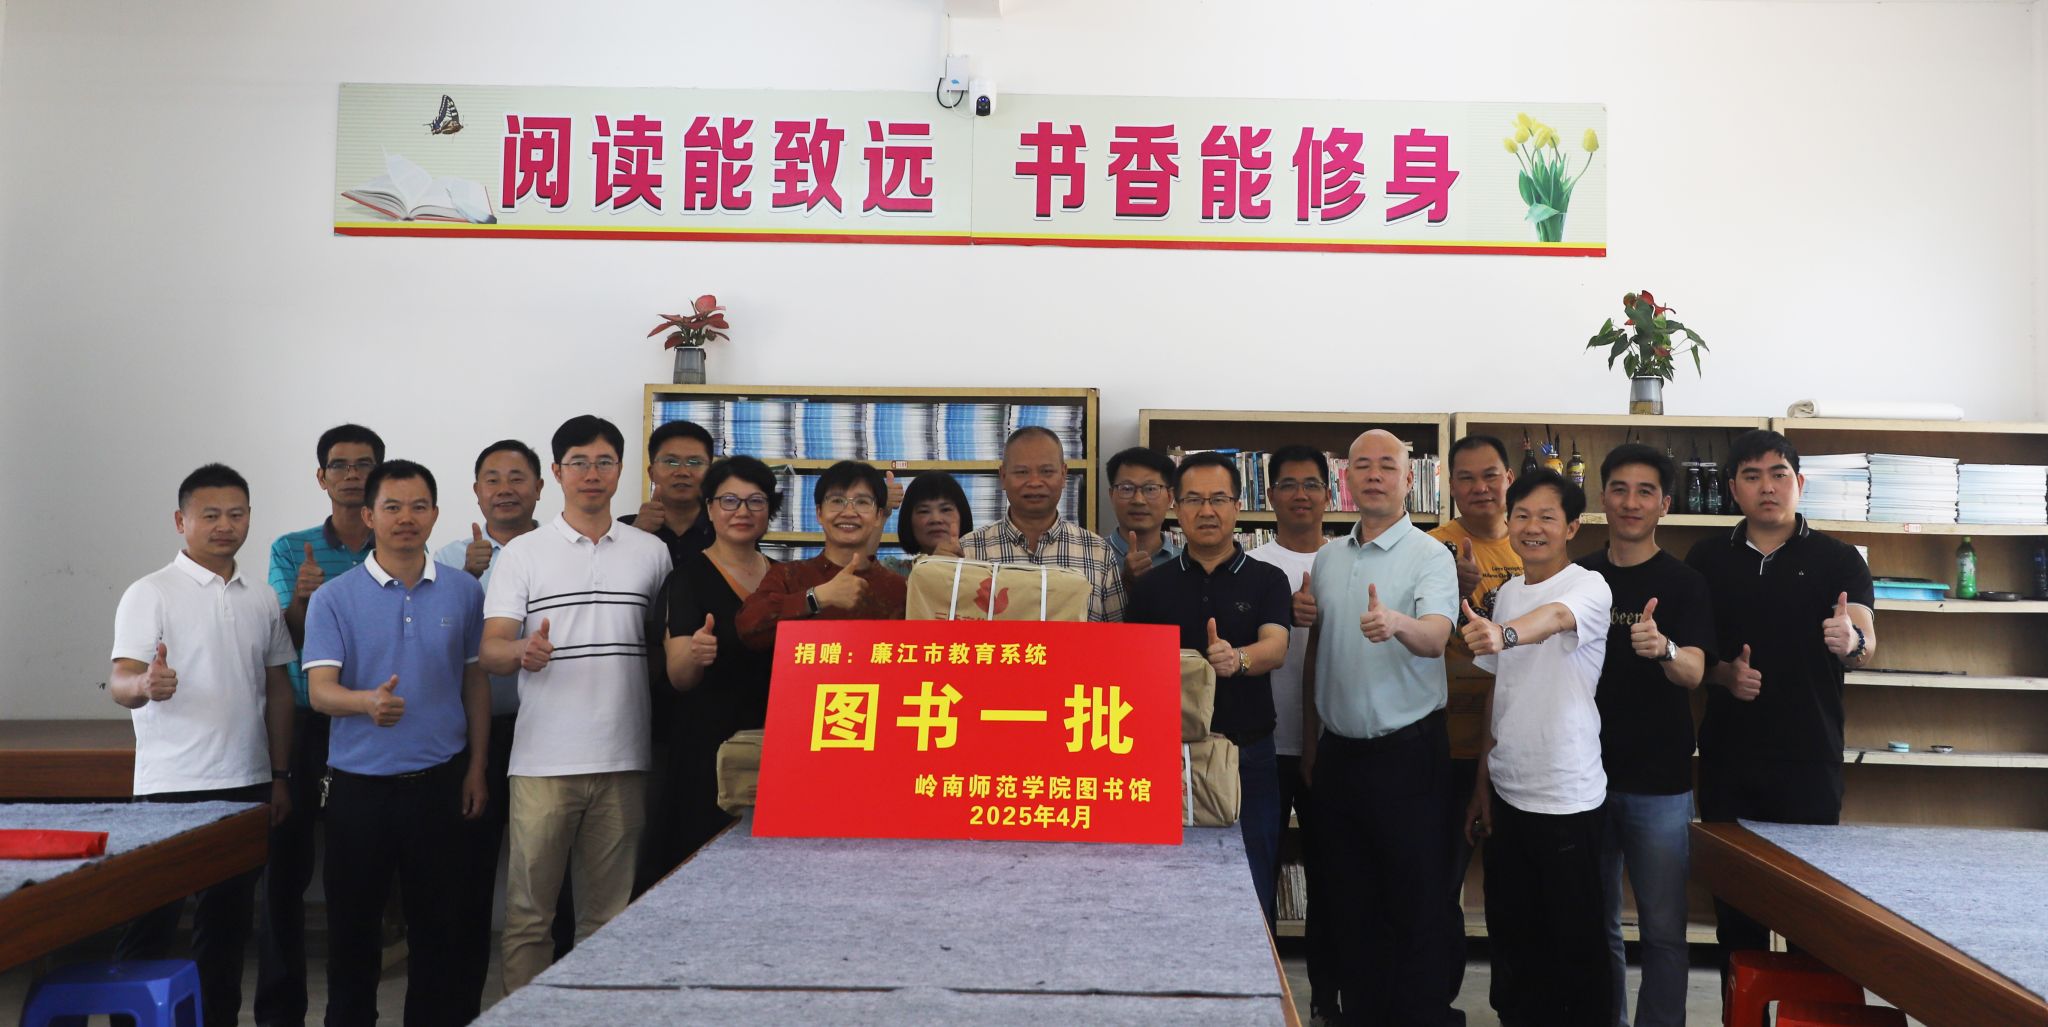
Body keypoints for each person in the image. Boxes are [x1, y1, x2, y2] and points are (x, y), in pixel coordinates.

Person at [482, 416, 673, 992]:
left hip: (624, 758)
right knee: (529, 917)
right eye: (579, 463)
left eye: (604, 462)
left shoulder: (652, 553)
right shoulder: (523, 553)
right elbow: (490, 649)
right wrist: (521, 650)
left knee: (609, 919)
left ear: (622, 470)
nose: (592, 474)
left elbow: (661, 649)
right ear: (557, 472)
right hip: (543, 762)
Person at [303, 460, 490, 1027]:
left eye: (418, 506)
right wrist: (366, 702)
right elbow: (319, 691)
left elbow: (475, 682)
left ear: (434, 514)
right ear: (369, 516)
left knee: (439, 934)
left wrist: (477, 767)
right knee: (353, 935)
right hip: (359, 791)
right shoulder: (334, 598)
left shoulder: (463, 591)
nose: (406, 518)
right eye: (392, 507)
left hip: (439, 784)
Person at [109, 464, 295, 1027]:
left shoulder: (261, 596)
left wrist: (280, 775)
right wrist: (145, 685)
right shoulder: (150, 592)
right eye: (210, 515)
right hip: (170, 786)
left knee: (226, 930)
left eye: (236, 514)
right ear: (181, 521)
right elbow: (120, 680)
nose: (224, 525)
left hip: (246, 781)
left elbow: (278, 689)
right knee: (149, 924)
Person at [1685, 429, 1876, 968]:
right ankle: (1743, 1007)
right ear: (1733, 489)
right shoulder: (1706, 558)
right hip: (1728, 760)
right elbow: (1691, 657)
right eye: (1752, 476)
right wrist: (1724, 675)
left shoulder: (1839, 559)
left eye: (1779, 475)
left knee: (1811, 923)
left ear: (1800, 483)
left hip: (1809, 760)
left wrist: (1850, 641)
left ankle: (1806, 1009)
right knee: (1737, 922)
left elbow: (1864, 641)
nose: (1767, 487)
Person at [1298, 428, 1459, 1024]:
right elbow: (1320, 650)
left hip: (1407, 756)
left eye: (1386, 466)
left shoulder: (1430, 555)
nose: (1373, 475)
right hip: (1339, 756)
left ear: (1408, 478)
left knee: (1415, 904)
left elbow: (1436, 637)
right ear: (1346, 478)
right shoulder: (1328, 557)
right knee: (1349, 902)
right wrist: (1312, 741)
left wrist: (1397, 623)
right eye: (1361, 465)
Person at [1461, 467, 1613, 1026]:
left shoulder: (1588, 585)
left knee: (1575, 948)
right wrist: (1482, 784)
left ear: (1571, 526)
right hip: (1508, 791)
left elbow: (1554, 619)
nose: (1532, 527)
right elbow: (1498, 692)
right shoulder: (1505, 594)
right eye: (1521, 515)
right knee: (1513, 940)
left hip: (1566, 797)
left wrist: (1503, 634)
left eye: (1547, 517)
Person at [430, 439, 573, 1013]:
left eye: (518, 477)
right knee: (467, 874)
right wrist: (465, 578)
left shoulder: (561, 547)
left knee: (552, 875)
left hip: (550, 730)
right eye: (493, 478)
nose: (505, 488)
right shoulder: (446, 556)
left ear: (540, 487)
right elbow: (434, 647)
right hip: (472, 736)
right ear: (476, 491)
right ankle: (461, 1006)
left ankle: (555, 1003)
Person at [1577, 444, 1714, 1027]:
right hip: (1582, 778)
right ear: (1602, 497)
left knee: (1662, 930)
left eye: (1645, 491)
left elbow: (1696, 671)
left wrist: (1664, 649)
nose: (1631, 502)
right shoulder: (1579, 576)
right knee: (1595, 926)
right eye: (1619, 489)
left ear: (1664, 504)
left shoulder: (1684, 582)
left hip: (1659, 783)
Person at [1127, 452, 1291, 923]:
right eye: (1194, 499)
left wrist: (1237, 659)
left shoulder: (1267, 579)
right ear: (1176, 508)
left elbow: (1275, 646)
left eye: (1218, 499)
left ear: (1238, 506)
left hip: (1247, 755)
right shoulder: (1152, 587)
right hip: (1166, 757)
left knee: (1253, 883)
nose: (1206, 510)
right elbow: (1133, 671)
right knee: (1169, 887)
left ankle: (1258, 972)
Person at [258, 422, 381, 1027]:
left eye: (364, 465)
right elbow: (290, 637)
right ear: (321, 477)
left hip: (370, 727)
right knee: (285, 877)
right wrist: (304, 597)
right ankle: (280, 1013)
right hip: (306, 727)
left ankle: (350, 1014)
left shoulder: (397, 541)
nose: (351, 475)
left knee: (358, 880)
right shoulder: (292, 549)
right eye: (339, 465)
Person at [1426, 433, 1522, 1023]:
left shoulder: (1538, 546)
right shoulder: (1430, 549)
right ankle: (1438, 1006)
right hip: (1446, 745)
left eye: (1490, 475)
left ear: (1509, 478)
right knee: (1440, 889)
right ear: (1449, 484)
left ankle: (1516, 1007)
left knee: (1514, 894)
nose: (1479, 487)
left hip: (1516, 747)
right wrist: (1453, 589)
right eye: (1465, 477)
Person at [1243, 444, 1335, 1018]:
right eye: (1288, 484)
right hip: (1262, 745)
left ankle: (1327, 999)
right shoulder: (1252, 565)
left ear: (1329, 494)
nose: (1300, 495)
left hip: (1331, 745)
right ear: (1269, 494)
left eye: (1311, 484)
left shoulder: (1346, 561)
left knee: (1333, 878)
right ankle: (1263, 997)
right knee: (1256, 879)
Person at [653, 456, 781, 868]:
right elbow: (679, 677)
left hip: (775, 748)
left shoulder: (786, 579)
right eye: (729, 500)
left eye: (755, 501)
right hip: (708, 750)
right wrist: (695, 654)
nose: (742, 511)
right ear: (709, 508)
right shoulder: (687, 578)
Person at [959, 426, 1125, 622]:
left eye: (1046, 471)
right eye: (1022, 472)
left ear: (1063, 474)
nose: (1035, 482)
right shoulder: (968, 551)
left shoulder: (1098, 552)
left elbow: (1115, 636)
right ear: (1003, 477)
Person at [739, 460, 908, 648]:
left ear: (878, 516)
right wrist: (817, 597)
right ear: (819, 513)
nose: (849, 512)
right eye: (837, 501)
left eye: (862, 502)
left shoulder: (899, 589)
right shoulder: (788, 576)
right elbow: (748, 626)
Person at [622, 419, 716, 565]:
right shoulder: (624, 529)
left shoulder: (726, 531)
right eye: (671, 462)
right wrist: (635, 535)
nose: (683, 472)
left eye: (695, 462)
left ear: (711, 472)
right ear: (652, 473)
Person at [1103, 445, 1181, 584]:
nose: (1138, 500)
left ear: (1170, 497)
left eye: (1150, 489)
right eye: (1127, 489)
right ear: (1111, 496)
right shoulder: (1091, 557)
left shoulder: (1186, 562)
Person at [891, 470, 973, 567]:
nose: (936, 519)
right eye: (924, 511)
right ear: (908, 521)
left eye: (946, 509)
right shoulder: (893, 571)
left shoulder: (983, 570)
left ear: (962, 515)